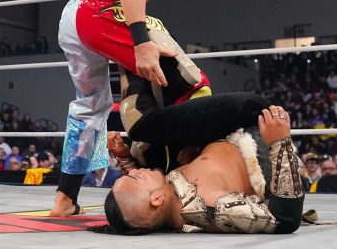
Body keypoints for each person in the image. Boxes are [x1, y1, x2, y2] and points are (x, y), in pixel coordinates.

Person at [52, 0, 230, 216]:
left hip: (77, 17)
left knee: (91, 108)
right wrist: (141, 41)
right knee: (187, 80)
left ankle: (65, 199)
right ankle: (198, 179)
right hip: (98, 10)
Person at [99, 93, 303, 234]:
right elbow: (284, 220)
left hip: (223, 134)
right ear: (156, 199)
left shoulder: (165, 198)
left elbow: (140, 192)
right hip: (251, 126)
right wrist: (280, 143)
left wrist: (124, 157)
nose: (136, 172)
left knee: (149, 117)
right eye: (135, 178)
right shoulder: (209, 207)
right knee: (141, 127)